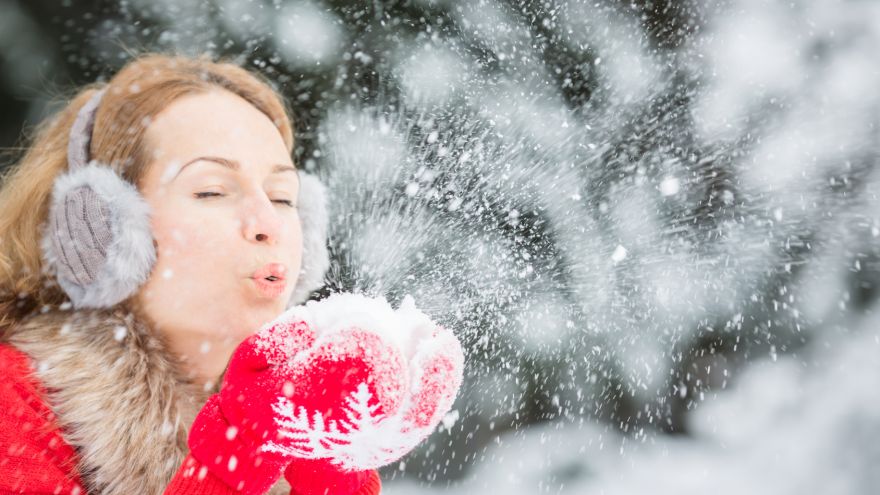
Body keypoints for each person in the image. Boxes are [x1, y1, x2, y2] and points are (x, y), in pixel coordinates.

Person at [0, 53, 463, 495]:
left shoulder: (287, 407)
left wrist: (334, 468)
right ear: (102, 230)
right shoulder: (13, 402)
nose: (269, 224)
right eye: (212, 190)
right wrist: (235, 455)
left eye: (283, 197)